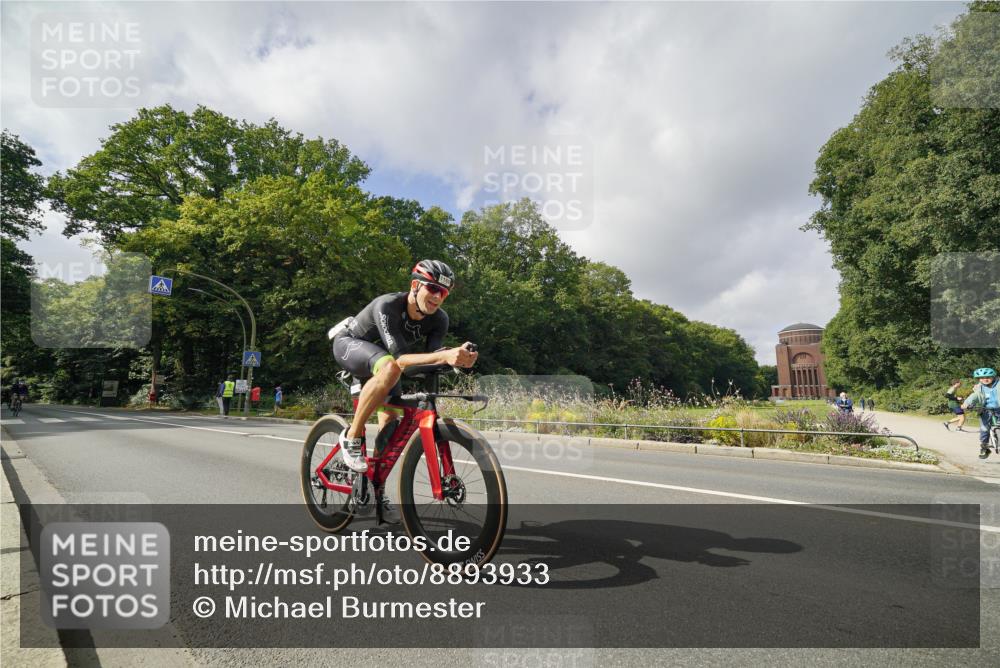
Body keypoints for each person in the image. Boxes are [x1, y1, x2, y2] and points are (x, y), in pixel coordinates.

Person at [330, 260, 477, 523]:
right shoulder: (388, 306)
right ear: (414, 285)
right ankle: (351, 437)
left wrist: (457, 359)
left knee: (390, 422)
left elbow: (430, 359)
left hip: (387, 365)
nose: (436, 297)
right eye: (432, 288)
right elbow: (399, 358)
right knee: (389, 365)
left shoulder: (439, 319)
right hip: (351, 346)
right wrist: (444, 356)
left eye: (443, 293)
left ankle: (376, 490)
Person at [961, 367, 1000, 459]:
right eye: (982, 378)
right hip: (986, 410)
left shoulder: (999, 384)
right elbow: (974, 396)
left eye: (988, 377)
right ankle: (984, 448)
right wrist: (967, 403)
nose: (985, 379)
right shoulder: (979, 388)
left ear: (993, 376)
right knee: (984, 429)